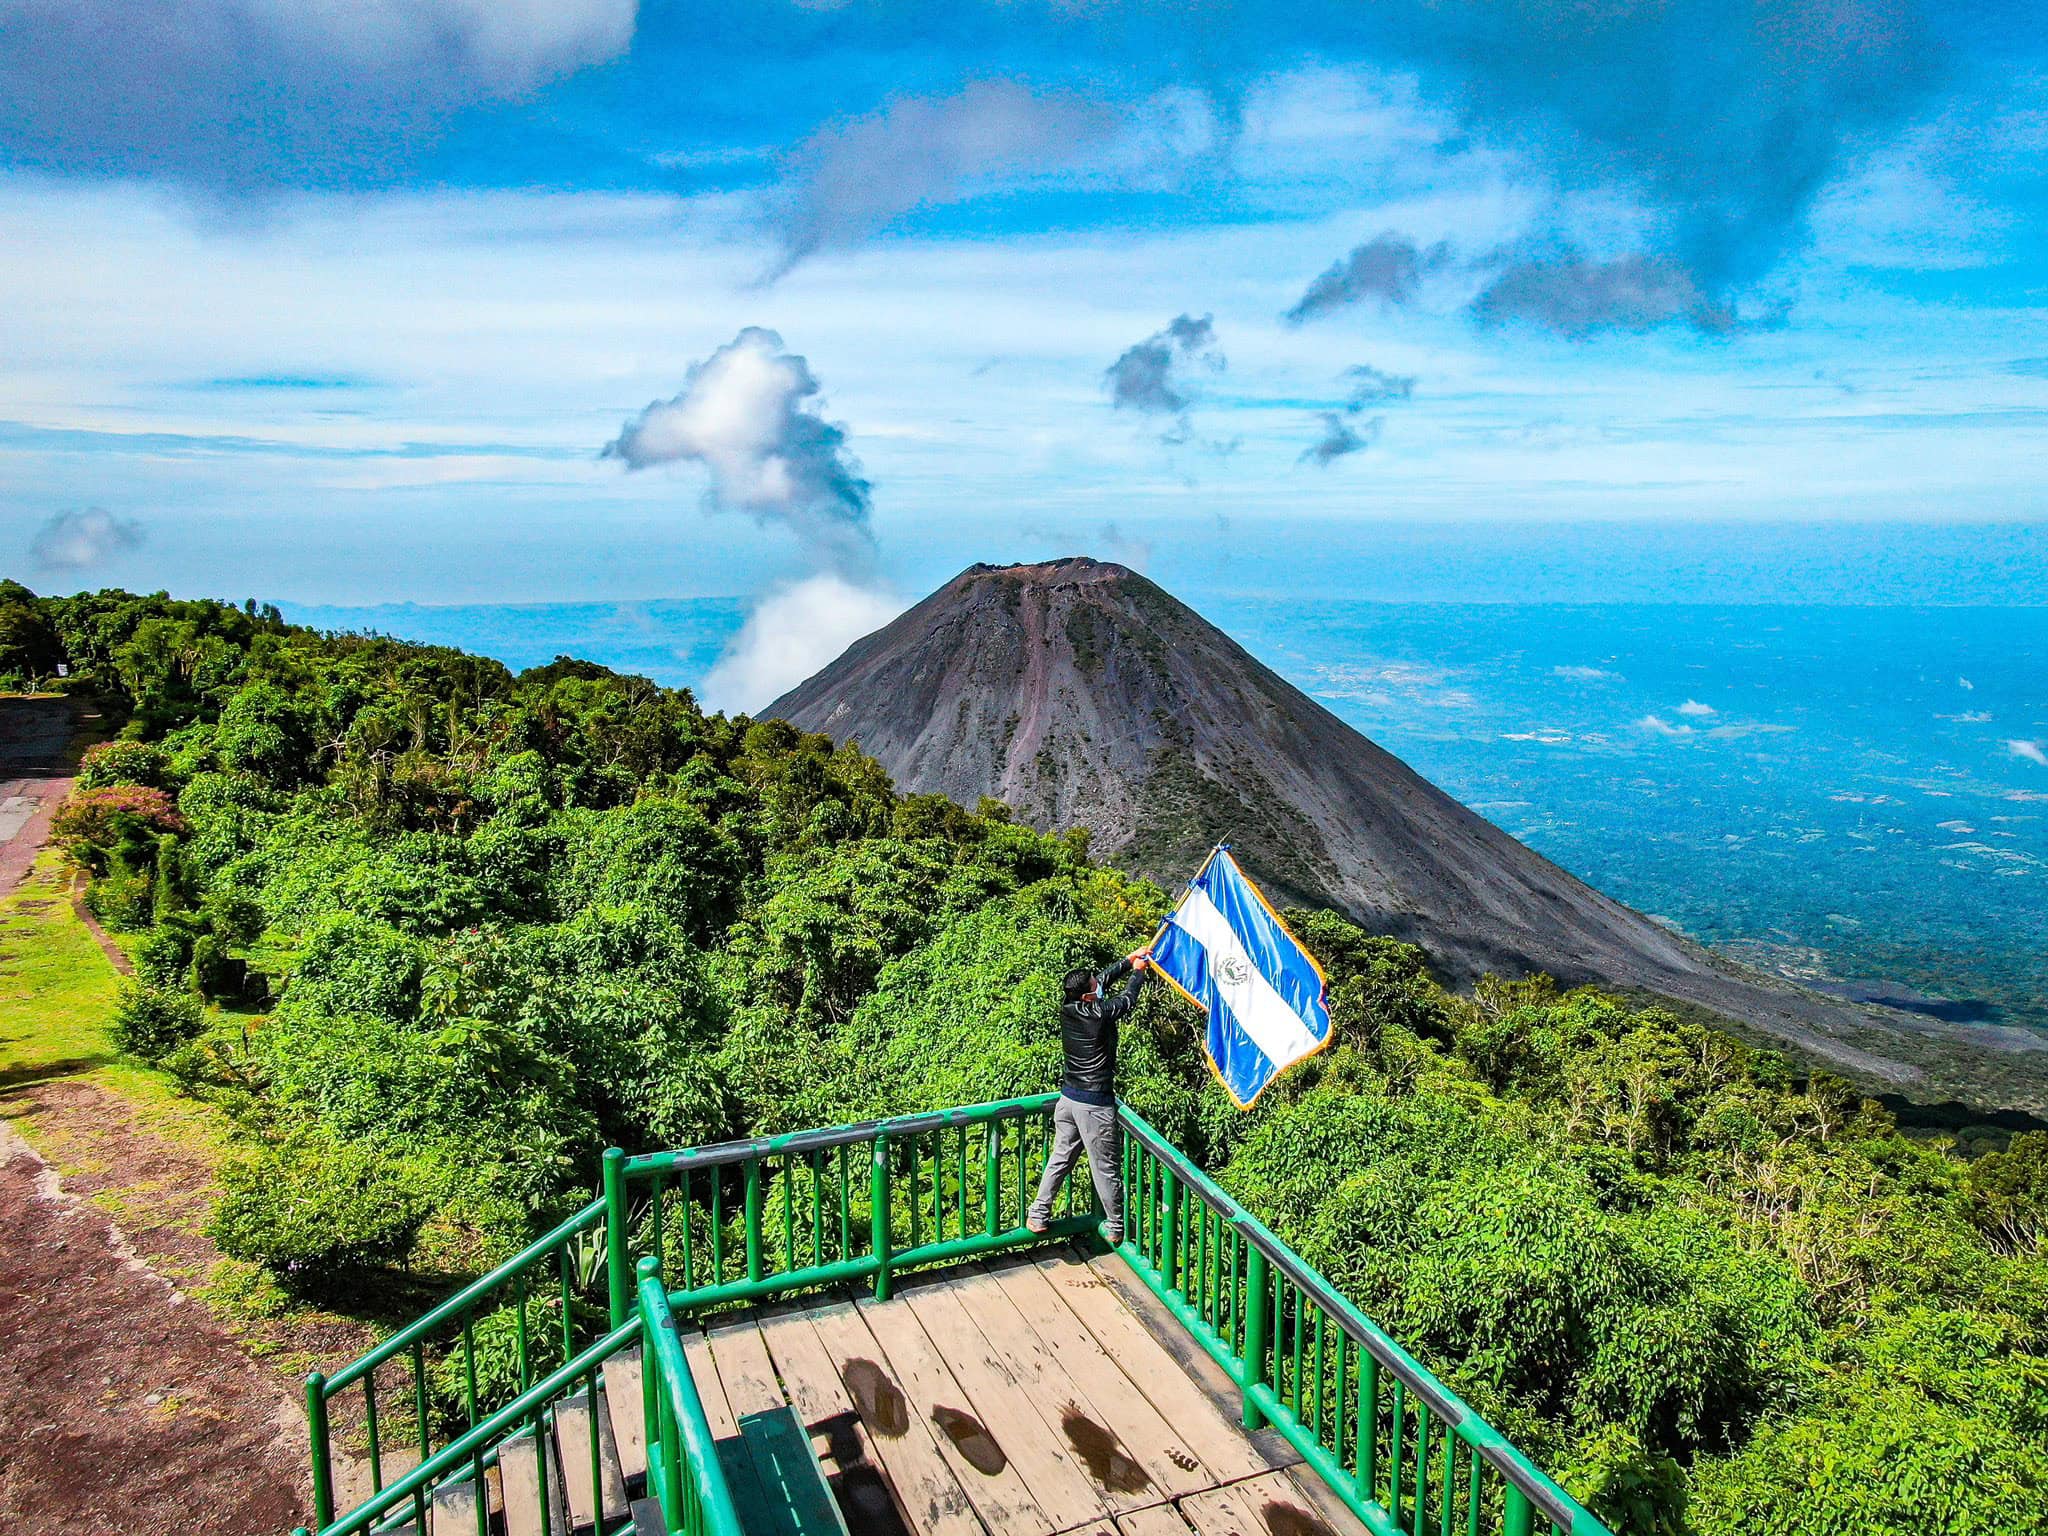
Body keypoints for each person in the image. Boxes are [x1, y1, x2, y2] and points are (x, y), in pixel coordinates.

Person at [1027, 948, 1152, 1244]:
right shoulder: (1099, 1014)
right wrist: (1138, 972)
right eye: (1094, 986)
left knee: (1060, 1157)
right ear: (1086, 997)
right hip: (1093, 1104)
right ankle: (1116, 1226)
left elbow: (1104, 981)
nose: (1099, 984)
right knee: (1104, 1168)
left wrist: (1127, 960)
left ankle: (1038, 1213)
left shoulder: (1068, 1007)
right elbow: (1127, 1000)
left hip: (1067, 1100)